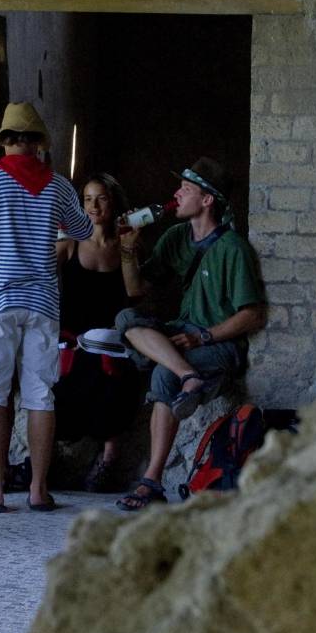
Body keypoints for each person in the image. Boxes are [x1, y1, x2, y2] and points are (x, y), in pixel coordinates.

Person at [0, 102, 93, 513]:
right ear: (37, 145)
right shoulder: (57, 186)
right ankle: (38, 489)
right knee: (40, 395)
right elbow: (83, 230)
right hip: (42, 304)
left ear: (5, 142)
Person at [113, 158, 267, 512]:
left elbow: (253, 315)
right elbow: (136, 291)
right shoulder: (176, 237)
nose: (175, 194)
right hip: (181, 337)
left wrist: (204, 338)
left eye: (185, 188)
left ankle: (150, 481)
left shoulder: (233, 249)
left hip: (218, 344)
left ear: (208, 199)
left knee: (162, 373)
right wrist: (126, 249)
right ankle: (188, 375)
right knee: (126, 318)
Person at [52, 173, 145, 490]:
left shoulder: (127, 245)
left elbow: (135, 294)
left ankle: (108, 462)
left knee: (116, 379)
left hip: (112, 340)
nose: (94, 206)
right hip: (73, 337)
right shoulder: (70, 243)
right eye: (88, 199)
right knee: (64, 379)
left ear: (114, 202)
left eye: (101, 198)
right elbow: (40, 271)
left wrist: (130, 249)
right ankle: (55, 458)